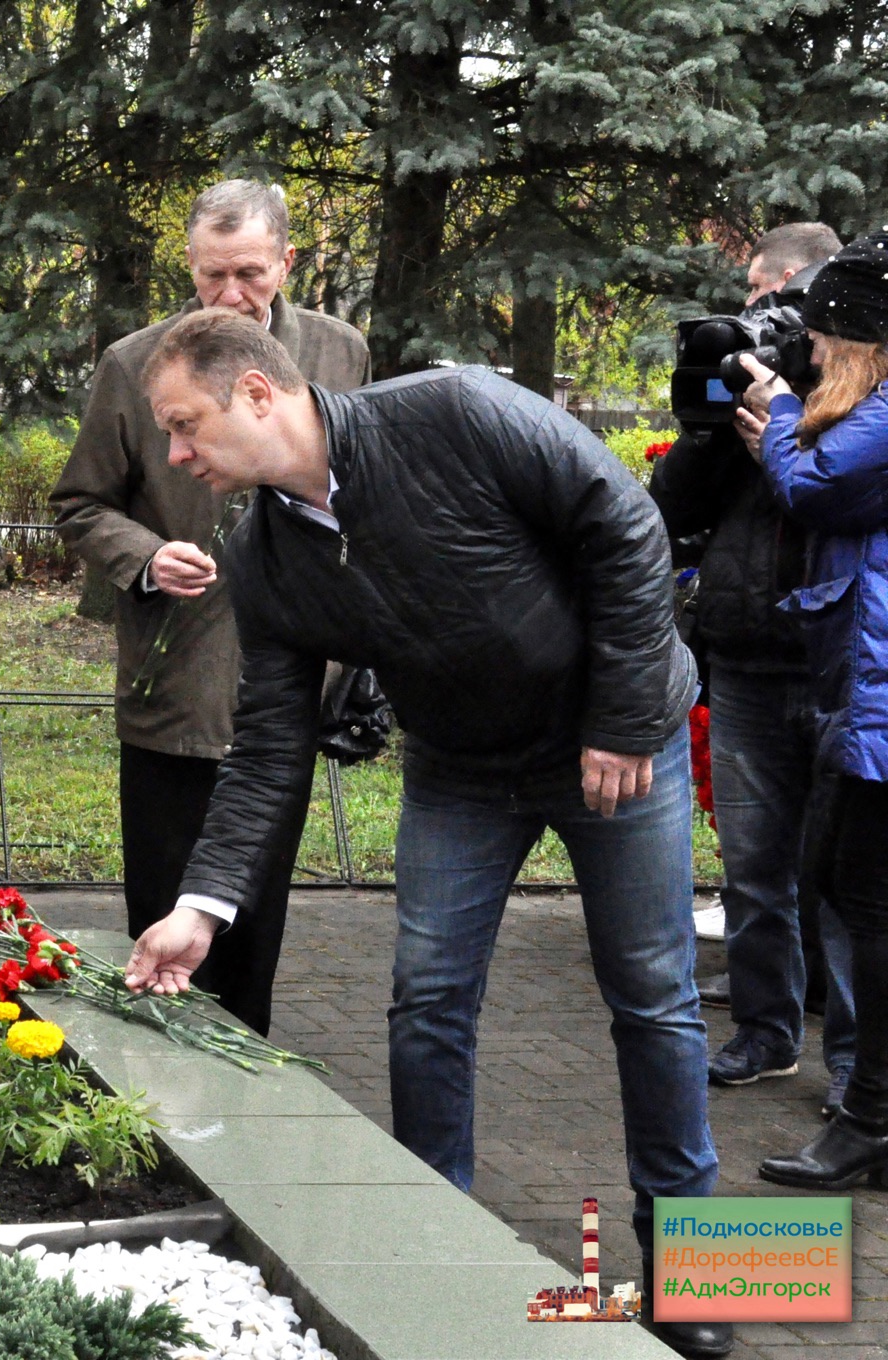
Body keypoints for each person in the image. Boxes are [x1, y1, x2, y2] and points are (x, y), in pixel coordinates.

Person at [122, 309, 728, 1360]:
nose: (174, 453)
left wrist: (626, 717)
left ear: (257, 395)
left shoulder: (454, 410)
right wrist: (197, 905)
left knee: (655, 997)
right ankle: (432, 1241)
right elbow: (268, 743)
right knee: (426, 997)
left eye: (184, 425)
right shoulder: (263, 556)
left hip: (615, 742)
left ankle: (711, 1279)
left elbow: (624, 526)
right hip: (460, 771)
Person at [50, 180, 368, 1036]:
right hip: (178, 682)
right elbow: (79, 504)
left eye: (251, 274)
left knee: (254, 921)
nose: (230, 296)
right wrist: (147, 557)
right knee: (164, 913)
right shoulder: (134, 364)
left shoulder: (341, 353)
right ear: (188, 265)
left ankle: (248, 1083)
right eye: (211, 274)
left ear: (288, 263)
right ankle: (163, 1086)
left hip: (292, 675)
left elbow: (359, 492)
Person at [649, 222, 857, 1110]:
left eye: (784, 314)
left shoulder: (861, 399)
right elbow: (667, 510)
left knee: (849, 880)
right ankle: (766, 1033)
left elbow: (835, 500)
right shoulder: (744, 402)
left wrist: (789, 423)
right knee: (753, 870)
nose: (764, 327)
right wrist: (707, 433)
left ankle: (856, 1061)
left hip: (838, 666)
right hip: (743, 656)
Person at [731, 228, 888, 1190]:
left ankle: (866, 1120)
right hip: (863, 693)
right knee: (847, 890)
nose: (814, 350)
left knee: (864, 904)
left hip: (879, 700)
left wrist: (781, 412)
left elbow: (820, 487)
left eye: (827, 338)